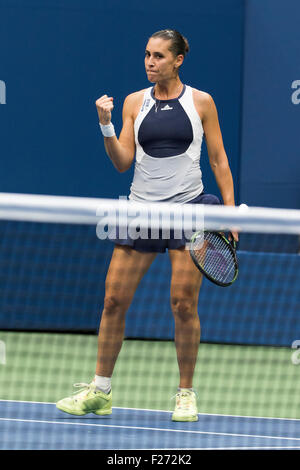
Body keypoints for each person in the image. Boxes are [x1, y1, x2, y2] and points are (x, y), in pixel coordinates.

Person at [56, 29, 237, 422]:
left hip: (189, 211)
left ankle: (185, 393)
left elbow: (219, 160)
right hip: (142, 212)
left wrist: (228, 211)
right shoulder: (135, 103)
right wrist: (106, 125)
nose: (149, 62)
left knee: (183, 304)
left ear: (178, 60)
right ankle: (100, 390)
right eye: (146, 55)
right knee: (113, 300)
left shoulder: (201, 102)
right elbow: (122, 161)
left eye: (158, 56)